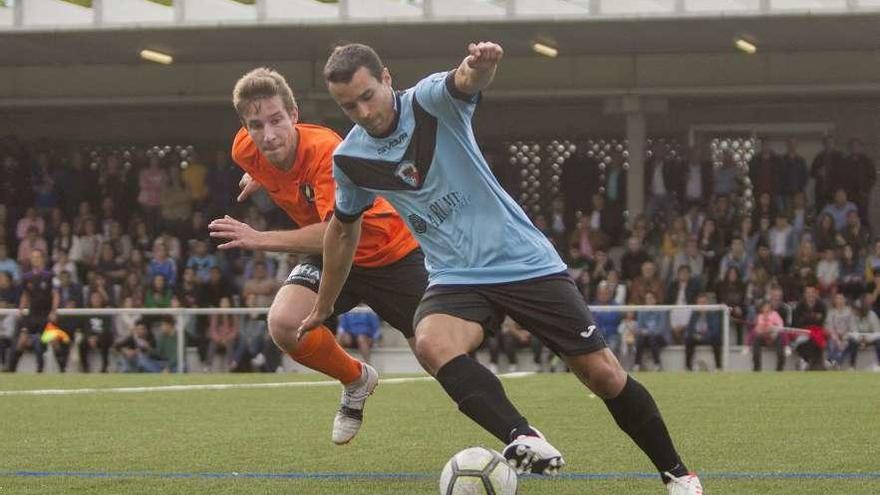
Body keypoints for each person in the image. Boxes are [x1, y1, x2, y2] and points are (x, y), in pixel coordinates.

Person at [300, 41, 702, 492]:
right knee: (431, 343)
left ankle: (678, 474)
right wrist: (324, 304)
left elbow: (464, 81)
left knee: (602, 374)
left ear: (387, 79)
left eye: (367, 95)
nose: (362, 111)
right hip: (455, 275)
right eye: (347, 106)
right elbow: (341, 231)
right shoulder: (350, 161)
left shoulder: (431, 102)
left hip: (523, 261)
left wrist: (480, 66)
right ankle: (522, 436)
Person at [208, 66, 428, 445]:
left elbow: (336, 230)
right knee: (284, 323)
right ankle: (356, 380)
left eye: (276, 120)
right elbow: (273, 165)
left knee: (437, 353)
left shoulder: (326, 151)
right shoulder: (245, 149)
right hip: (329, 254)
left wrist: (259, 239)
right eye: (256, 125)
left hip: (386, 250)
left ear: (294, 115)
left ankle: (518, 434)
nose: (268, 134)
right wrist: (261, 174)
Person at [4, 249, 58, 373]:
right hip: (33, 315)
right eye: (33, 257)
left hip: (46, 314)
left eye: (38, 257)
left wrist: (53, 311)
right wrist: (21, 309)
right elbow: (25, 295)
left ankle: (62, 368)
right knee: (22, 341)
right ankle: (12, 369)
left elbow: (55, 294)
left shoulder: (49, 275)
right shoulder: (27, 277)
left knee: (54, 341)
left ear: (43, 259)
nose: (35, 259)